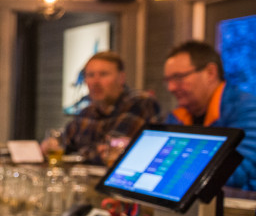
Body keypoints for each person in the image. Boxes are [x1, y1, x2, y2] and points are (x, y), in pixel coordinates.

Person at [164, 40, 256, 191]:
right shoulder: (176, 116)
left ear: (210, 73)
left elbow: (237, 172)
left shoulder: (248, 109)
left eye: (179, 77)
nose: (171, 87)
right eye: (168, 80)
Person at [42, 51, 160, 166]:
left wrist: (79, 153)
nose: (95, 82)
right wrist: (51, 144)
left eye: (103, 74)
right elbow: (63, 141)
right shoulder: (88, 111)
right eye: (90, 75)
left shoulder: (140, 102)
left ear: (121, 78)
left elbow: (110, 150)